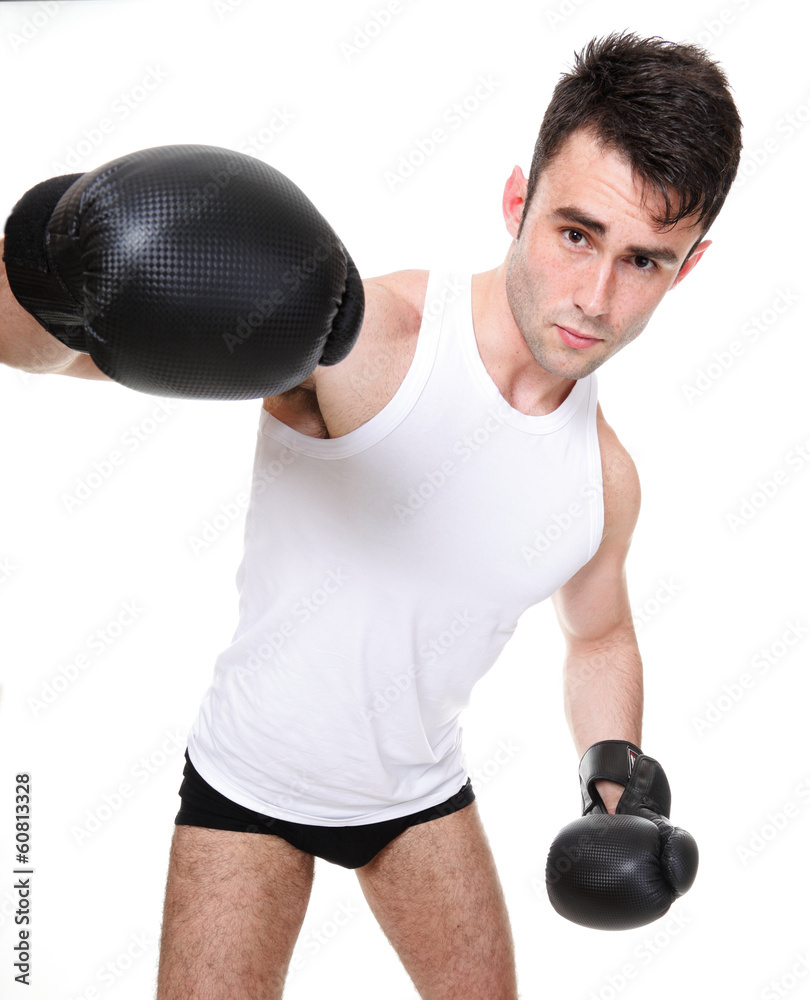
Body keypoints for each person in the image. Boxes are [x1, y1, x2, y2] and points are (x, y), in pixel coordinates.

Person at [1, 31, 741, 1000]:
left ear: (686, 270)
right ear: (517, 201)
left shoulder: (604, 480)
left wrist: (619, 783)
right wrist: (47, 271)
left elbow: (598, 633)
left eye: (645, 261)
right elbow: (52, 354)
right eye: (576, 233)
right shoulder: (366, 339)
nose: (596, 299)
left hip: (419, 801)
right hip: (249, 784)